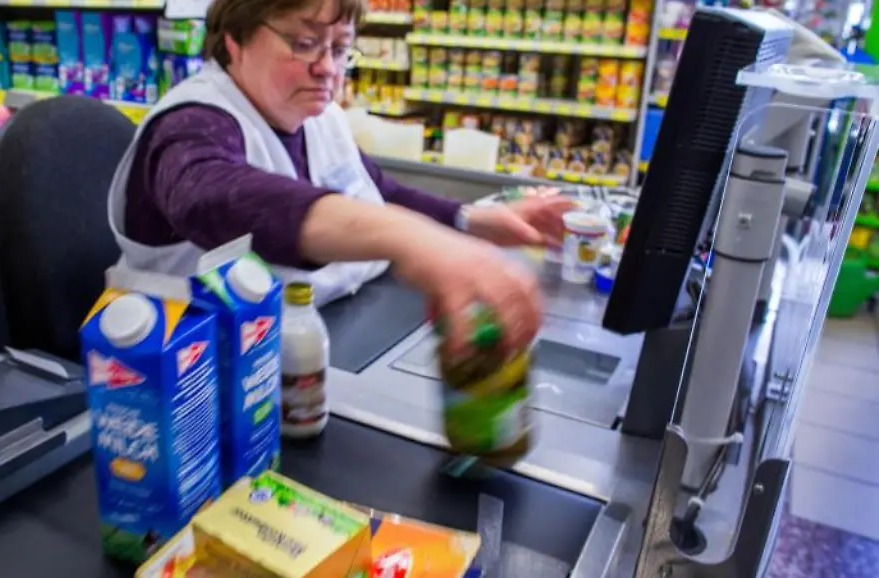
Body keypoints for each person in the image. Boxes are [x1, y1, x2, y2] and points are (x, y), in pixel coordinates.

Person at [106, 0, 574, 355]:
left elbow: (377, 192)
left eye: (340, 48)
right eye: (304, 43)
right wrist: (410, 240)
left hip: (315, 341)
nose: (326, 68)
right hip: (192, 378)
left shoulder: (315, 114)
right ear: (235, 39)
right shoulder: (192, 123)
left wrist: (472, 221)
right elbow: (209, 198)